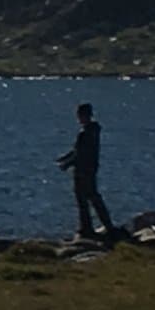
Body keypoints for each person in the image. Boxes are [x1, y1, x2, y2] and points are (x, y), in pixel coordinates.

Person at [58, 102, 115, 241]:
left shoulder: (85, 133)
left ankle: (87, 227)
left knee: (83, 199)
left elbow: (80, 153)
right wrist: (65, 157)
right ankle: (107, 225)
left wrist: (67, 164)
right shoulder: (93, 130)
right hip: (91, 168)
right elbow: (78, 151)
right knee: (93, 197)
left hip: (83, 170)